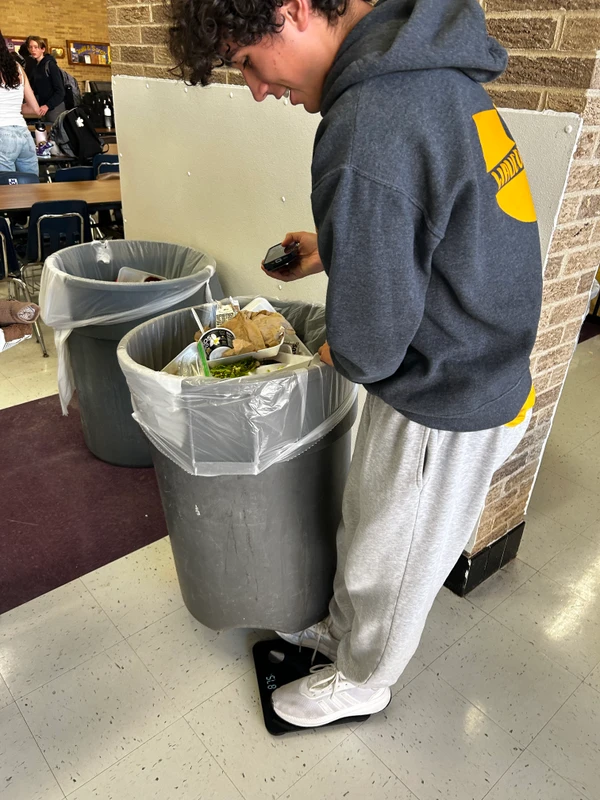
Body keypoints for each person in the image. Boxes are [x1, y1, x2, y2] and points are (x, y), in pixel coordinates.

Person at [168, 0, 543, 727]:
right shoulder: (432, 75)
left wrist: (323, 351)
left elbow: (368, 346)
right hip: (471, 355)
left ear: (293, 7)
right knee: (370, 525)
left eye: (247, 61)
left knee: (391, 560)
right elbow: (431, 215)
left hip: (446, 393)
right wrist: (333, 244)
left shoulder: (368, 119)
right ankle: (344, 635)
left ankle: (363, 680)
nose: (254, 88)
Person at [0, 30, 41, 175]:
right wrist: (13, 107)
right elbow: (35, 109)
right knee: (32, 188)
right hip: (24, 134)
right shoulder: (17, 67)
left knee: (6, 193)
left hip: (2, 136)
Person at [25, 36, 65, 123]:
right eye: (30, 47)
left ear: (43, 49)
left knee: (54, 132)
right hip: (42, 108)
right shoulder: (34, 66)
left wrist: (47, 106)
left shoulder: (50, 65)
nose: (33, 50)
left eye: (36, 47)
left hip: (54, 108)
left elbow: (60, 91)